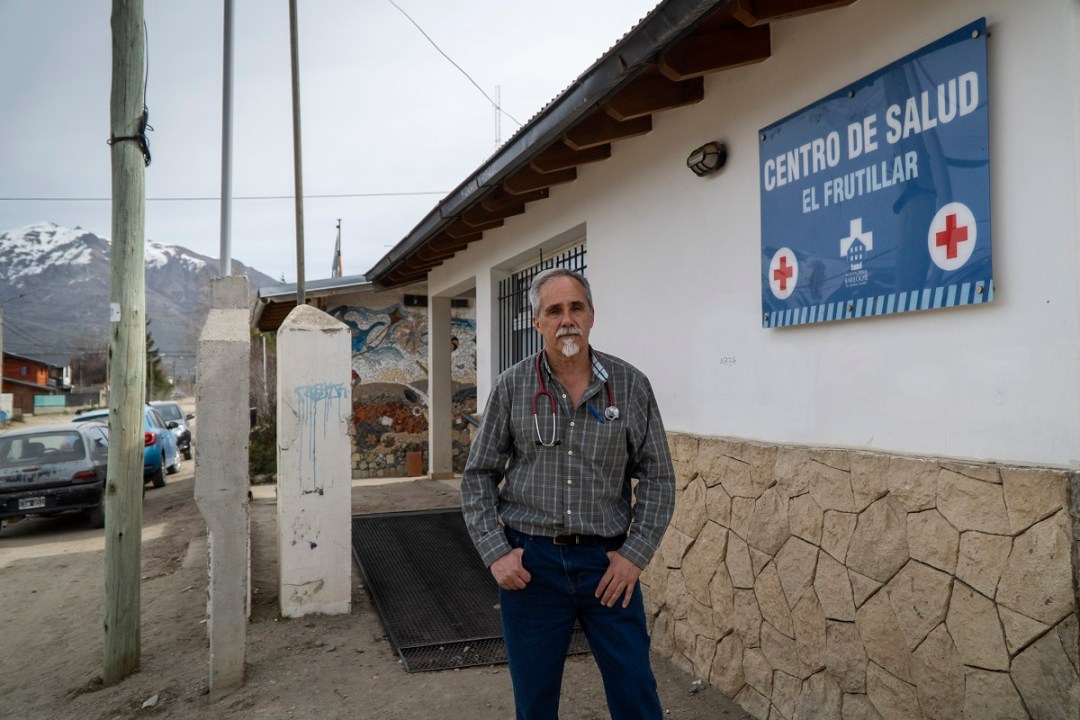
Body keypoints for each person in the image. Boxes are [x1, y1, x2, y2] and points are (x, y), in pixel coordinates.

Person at [461, 267, 675, 720]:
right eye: (554, 310)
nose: (567, 320)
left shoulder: (630, 385)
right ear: (537, 322)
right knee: (535, 701)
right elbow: (478, 475)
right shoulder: (512, 386)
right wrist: (496, 552)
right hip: (532, 568)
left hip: (607, 567)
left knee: (636, 691)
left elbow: (659, 477)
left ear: (592, 315)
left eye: (576, 307)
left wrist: (634, 555)